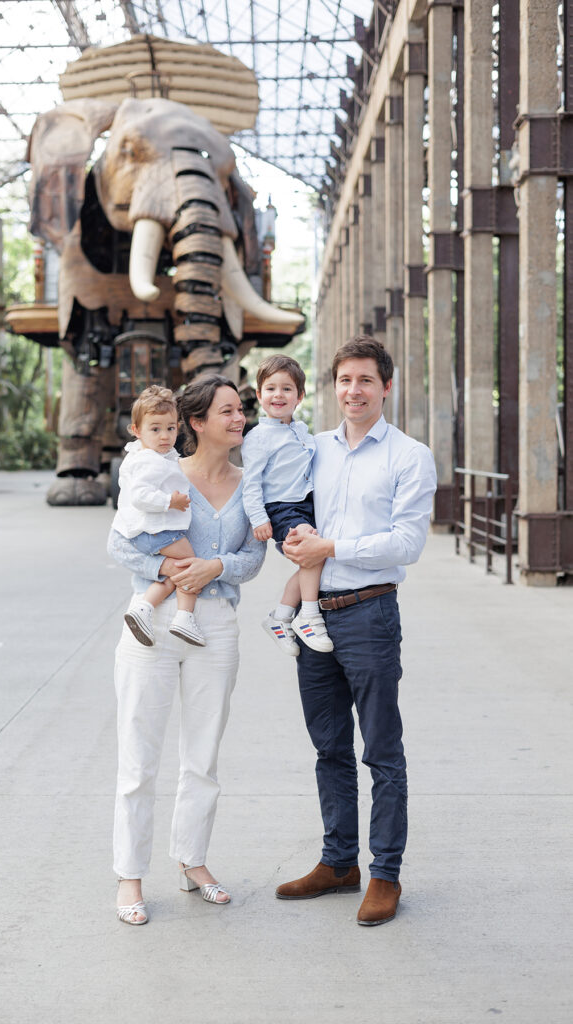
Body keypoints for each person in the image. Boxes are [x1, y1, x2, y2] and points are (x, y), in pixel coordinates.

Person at [276, 336, 437, 927]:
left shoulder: (409, 456)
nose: (354, 391)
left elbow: (407, 543)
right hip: (313, 616)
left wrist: (331, 546)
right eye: (344, 380)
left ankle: (384, 874)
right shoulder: (312, 448)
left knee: (382, 750)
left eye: (365, 380)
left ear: (385, 387)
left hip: (370, 614)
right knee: (328, 747)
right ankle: (339, 862)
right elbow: (278, 494)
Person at [107, 374, 264, 926]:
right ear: (196, 423)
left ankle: (192, 860)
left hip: (215, 624)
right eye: (227, 410)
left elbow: (253, 556)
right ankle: (130, 876)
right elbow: (118, 541)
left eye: (240, 409)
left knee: (202, 757)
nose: (239, 417)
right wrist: (168, 570)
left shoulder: (250, 482)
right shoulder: (159, 470)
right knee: (139, 757)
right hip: (154, 618)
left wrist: (216, 565)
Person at [241, 354, 333, 656]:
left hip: (306, 505)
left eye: (286, 389)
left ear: (300, 396)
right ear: (259, 395)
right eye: (270, 388)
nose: (278, 395)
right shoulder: (257, 438)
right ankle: (307, 616)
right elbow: (251, 482)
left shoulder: (302, 431)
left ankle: (280, 618)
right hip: (281, 508)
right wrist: (259, 518)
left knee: (313, 558)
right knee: (312, 549)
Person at [113, 385, 205, 648]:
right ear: (136, 430)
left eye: (170, 428)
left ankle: (144, 609)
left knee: (173, 574)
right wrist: (170, 501)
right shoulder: (148, 460)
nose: (165, 436)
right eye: (155, 429)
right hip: (156, 531)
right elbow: (140, 495)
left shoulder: (152, 455)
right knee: (190, 564)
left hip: (150, 531)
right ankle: (184, 617)